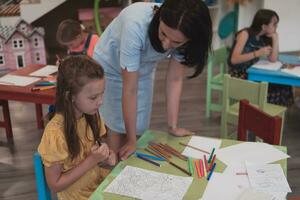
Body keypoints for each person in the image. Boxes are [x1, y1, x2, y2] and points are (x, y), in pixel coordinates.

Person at [93, 0, 212, 160]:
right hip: (111, 66)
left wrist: (173, 126)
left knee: (140, 126)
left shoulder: (185, 32)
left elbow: (175, 79)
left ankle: (128, 160)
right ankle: (112, 168)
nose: (166, 44)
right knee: (116, 127)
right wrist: (131, 140)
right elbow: (130, 89)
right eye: (163, 33)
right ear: (159, 18)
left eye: (176, 42)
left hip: (143, 66)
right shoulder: (135, 25)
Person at [38, 56, 117, 200]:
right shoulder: (55, 133)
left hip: (96, 185)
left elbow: (93, 153)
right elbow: (55, 185)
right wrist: (92, 160)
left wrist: (106, 156)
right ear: (71, 96)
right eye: (93, 97)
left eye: (102, 94)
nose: (101, 102)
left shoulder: (91, 114)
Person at [228, 9, 294, 106]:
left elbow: (273, 59)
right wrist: (257, 53)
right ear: (264, 26)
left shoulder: (264, 37)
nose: (276, 27)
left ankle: (272, 115)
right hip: (239, 74)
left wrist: (275, 39)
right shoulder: (245, 34)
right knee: (273, 86)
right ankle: (263, 114)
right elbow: (233, 60)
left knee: (284, 85)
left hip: (252, 72)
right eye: (274, 24)